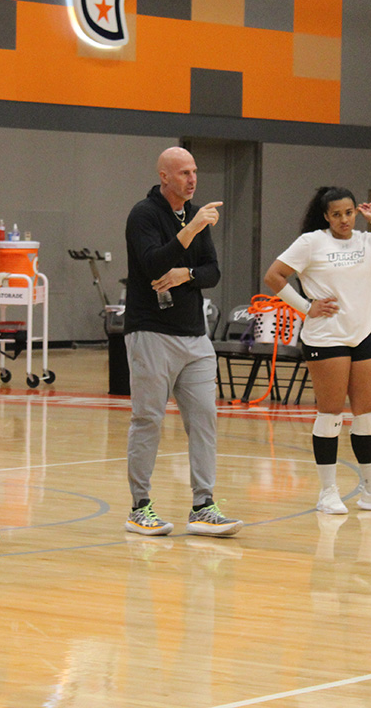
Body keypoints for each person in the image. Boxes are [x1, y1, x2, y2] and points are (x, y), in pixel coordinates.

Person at [263, 186, 371, 515]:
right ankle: (328, 492)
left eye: (349, 212)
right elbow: (273, 275)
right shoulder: (311, 243)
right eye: (337, 214)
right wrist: (306, 307)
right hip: (326, 338)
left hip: (362, 336)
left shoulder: (368, 241)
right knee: (330, 414)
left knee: (367, 416)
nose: (344, 219)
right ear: (326, 216)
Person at [123, 147, 242, 537]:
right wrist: (190, 231)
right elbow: (154, 263)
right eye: (184, 173)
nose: (192, 179)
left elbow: (212, 272)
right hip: (151, 332)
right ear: (165, 176)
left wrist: (186, 274)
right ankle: (140, 507)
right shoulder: (144, 214)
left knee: (205, 418)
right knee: (148, 419)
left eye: (194, 171)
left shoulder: (195, 215)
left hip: (194, 336)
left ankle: (203, 506)